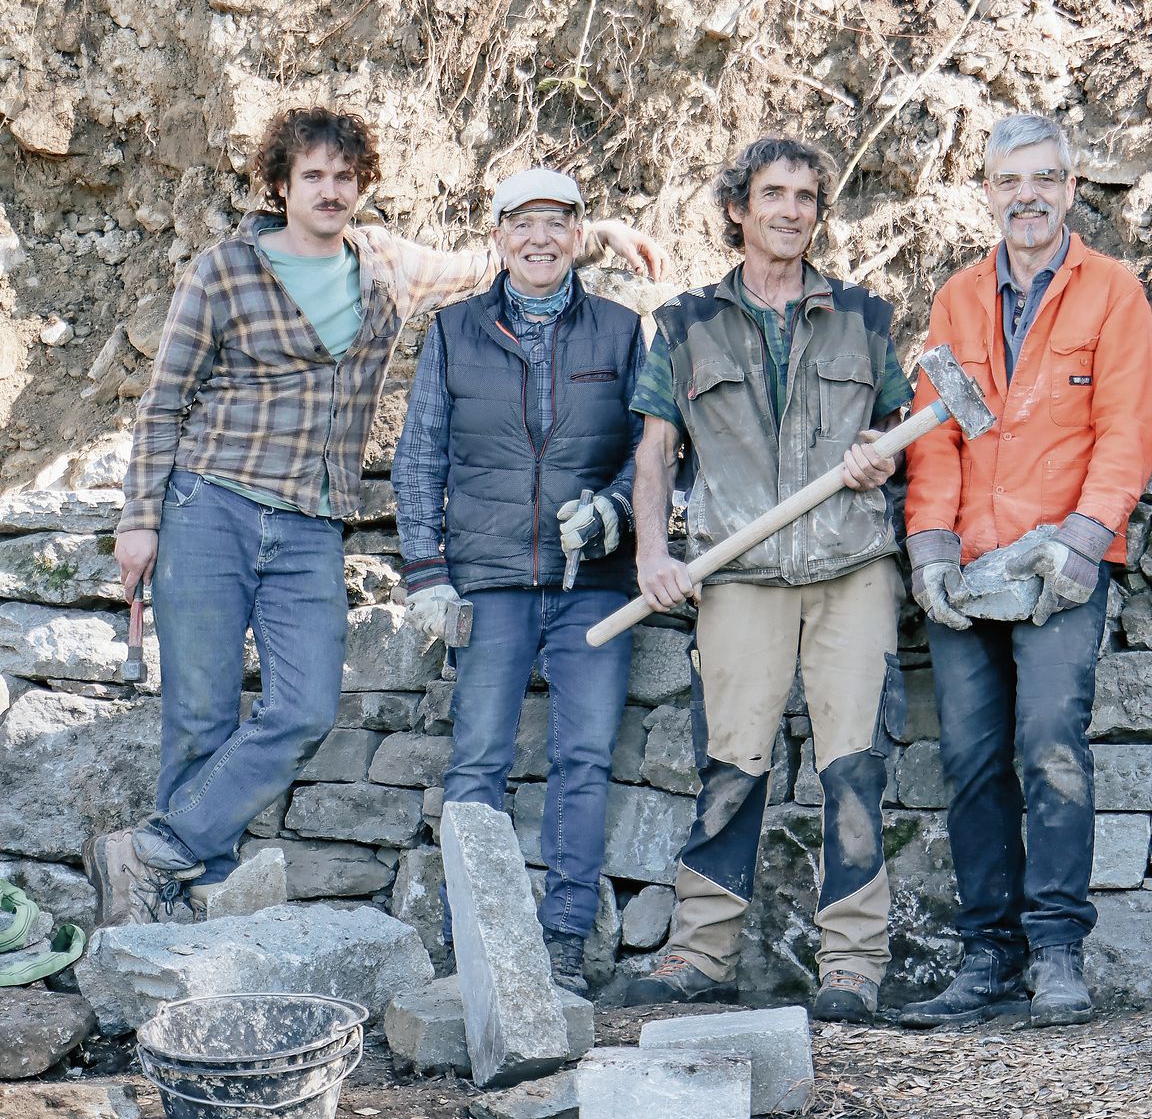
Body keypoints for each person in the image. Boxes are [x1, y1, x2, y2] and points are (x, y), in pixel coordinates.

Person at [91, 106, 661, 928]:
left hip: (312, 521)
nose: (330, 190)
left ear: (362, 186)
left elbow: (491, 260)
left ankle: (153, 850)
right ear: (281, 185)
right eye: (312, 176)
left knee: (306, 707)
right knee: (201, 713)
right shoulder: (223, 271)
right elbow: (164, 402)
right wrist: (139, 519)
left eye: (344, 177)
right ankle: (178, 896)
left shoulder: (386, 263)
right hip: (208, 503)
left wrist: (594, 232)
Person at [618, 136, 915, 1024]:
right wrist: (651, 555)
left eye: (807, 197)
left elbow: (903, 437)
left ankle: (854, 965)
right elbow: (656, 452)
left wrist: (880, 461)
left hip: (850, 570)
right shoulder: (685, 324)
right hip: (738, 572)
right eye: (773, 194)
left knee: (853, 768)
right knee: (732, 766)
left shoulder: (864, 318)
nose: (791, 211)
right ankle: (700, 953)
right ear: (739, 209)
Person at [898, 113, 1152, 1030]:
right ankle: (987, 956)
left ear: (1072, 189)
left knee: (1051, 746)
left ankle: (1056, 950)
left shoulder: (1112, 292)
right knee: (971, 760)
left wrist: (1086, 538)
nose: (1029, 197)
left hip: (1057, 567)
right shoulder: (957, 300)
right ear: (987, 193)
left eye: (1045, 179)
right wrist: (930, 550)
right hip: (971, 565)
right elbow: (933, 438)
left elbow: (1128, 429)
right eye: (1011, 182)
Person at [392, 167, 645, 995]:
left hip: (593, 582)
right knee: (476, 762)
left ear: (579, 234)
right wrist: (427, 570)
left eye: (558, 222)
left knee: (583, 757)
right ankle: (480, 938)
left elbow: (654, 451)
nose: (540, 238)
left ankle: (566, 942)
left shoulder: (619, 330)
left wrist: (614, 510)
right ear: (497, 235)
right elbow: (421, 454)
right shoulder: (455, 329)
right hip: (491, 577)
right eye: (522, 223)